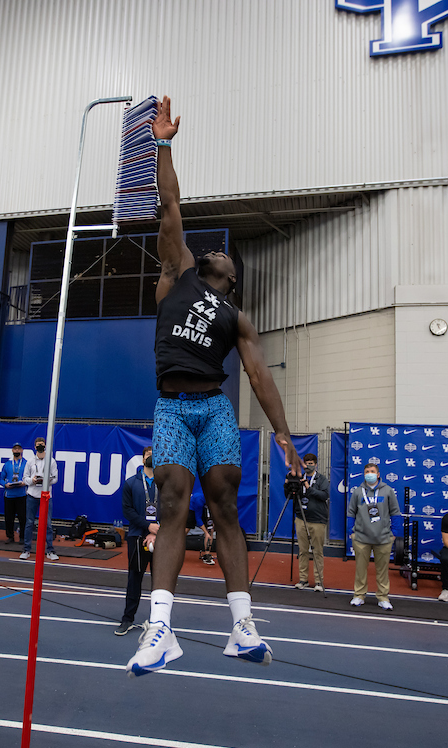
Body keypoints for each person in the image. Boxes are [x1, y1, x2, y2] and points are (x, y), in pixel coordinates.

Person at [126, 96, 299, 677]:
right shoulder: (175, 274)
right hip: (172, 407)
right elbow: (169, 203)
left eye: (223, 256)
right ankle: (160, 630)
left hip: (216, 410)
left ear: (231, 278)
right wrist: (165, 143)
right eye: (213, 251)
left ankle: (242, 628)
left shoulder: (235, 317)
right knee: (172, 504)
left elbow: (257, 373)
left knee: (225, 507)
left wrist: (282, 433)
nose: (215, 251)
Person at [347, 463, 401, 609]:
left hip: (383, 538)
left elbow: (395, 512)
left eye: (372, 471)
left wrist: (393, 533)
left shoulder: (388, 491)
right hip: (361, 538)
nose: (369, 474)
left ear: (378, 474)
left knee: (382, 569)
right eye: (366, 472)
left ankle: (383, 597)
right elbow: (351, 512)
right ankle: (359, 595)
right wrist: (351, 532)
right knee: (360, 569)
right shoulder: (358, 492)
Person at [116, 446, 157, 635]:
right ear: (142, 460)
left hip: (161, 538)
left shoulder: (164, 484)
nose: (150, 457)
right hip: (137, 536)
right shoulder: (131, 483)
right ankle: (127, 619)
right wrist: (147, 527)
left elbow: (171, 508)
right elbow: (127, 511)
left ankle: (160, 621)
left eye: (153, 455)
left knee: (160, 581)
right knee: (134, 578)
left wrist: (157, 530)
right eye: (147, 455)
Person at [294, 452, 330, 592]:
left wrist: (309, 488)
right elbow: (290, 495)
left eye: (311, 463)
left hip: (318, 520)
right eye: (306, 463)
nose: (308, 465)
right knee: (303, 551)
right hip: (301, 518)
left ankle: (318, 581)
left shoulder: (321, 479)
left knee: (317, 551)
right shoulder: (299, 478)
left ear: (315, 464)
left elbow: (324, 495)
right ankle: (303, 579)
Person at [21, 436, 58, 561]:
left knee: (47, 524)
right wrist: (32, 480)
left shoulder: (51, 461)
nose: (40, 446)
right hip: (32, 495)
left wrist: (46, 481)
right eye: (38, 445)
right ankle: (26, 549)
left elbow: (56, 478)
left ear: (45, 446)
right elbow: (24, 478)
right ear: (35, 446)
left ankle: (50, 550)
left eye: (42, 444)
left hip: (46, 496)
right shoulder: (30, 461)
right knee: (29, 523)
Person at [0, 442, 28, 544]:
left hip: (22, 494)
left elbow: (29, 477)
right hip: (9, 495)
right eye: (15, 449)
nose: (17, 451)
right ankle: (10, 536)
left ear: (22, 450)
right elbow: (0, 478)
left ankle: (22, 537)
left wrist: (25, 483)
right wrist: (5, 484)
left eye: (18, 449)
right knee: (9, 517)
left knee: (22, 517)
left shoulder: (26, 463)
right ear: (12, 450)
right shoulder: (7, 464)